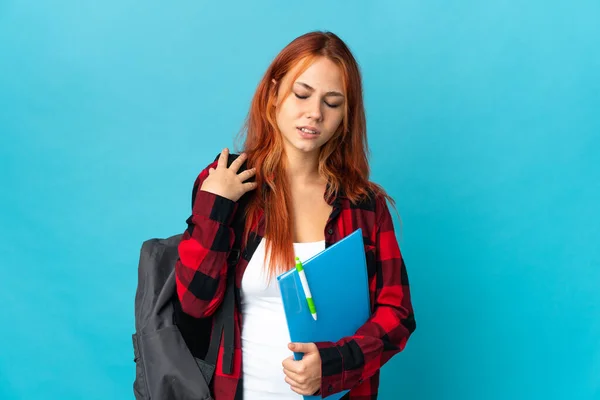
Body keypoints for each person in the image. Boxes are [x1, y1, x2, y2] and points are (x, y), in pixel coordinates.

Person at [174, 31, 416, 400]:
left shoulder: (364, 206)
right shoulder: (228, 181)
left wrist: (335, 363)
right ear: (273, 94)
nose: (314, 113)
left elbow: (397, 314)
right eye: (301, 94)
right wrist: (217, 203)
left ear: (346, 116)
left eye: (332, 103)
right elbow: (194, 303)